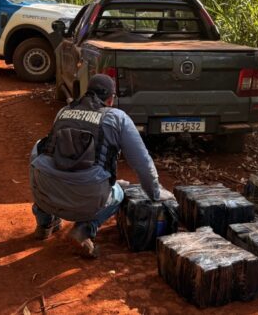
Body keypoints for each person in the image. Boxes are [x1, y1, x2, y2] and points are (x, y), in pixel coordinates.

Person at [29, 73, 169, 258]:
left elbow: (52, 150)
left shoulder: (63, 112)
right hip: (88, 200)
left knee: (40, 148)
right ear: (111, 99)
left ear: (87, 92)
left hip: (47, 194)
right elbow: (143, 163)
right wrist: (154, 194)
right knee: (118, 193)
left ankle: (44, 223)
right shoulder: (117, 117)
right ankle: (85, 229)